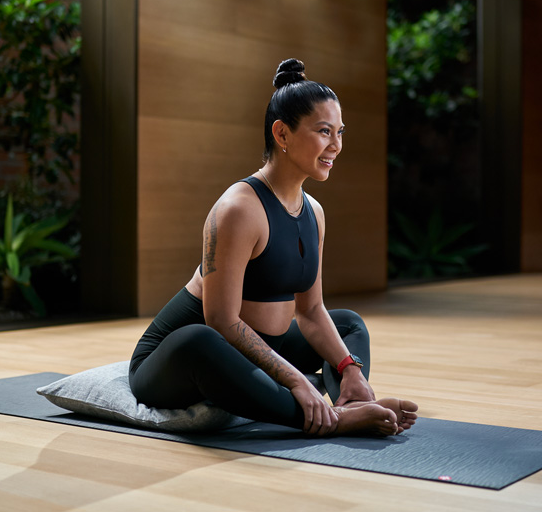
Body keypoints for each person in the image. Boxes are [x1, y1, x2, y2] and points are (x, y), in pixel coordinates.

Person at [129, 59, 418, 436]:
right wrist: (297, 380)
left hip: (262, 350)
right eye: (324, 131)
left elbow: (311, 310)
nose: (336, 145)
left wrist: (349, 368)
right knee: (198, 340)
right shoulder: (238, 210)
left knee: (347, 324)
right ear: (282, 134)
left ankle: (353, 401)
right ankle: (329, 421)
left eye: (340, 132)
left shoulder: (314, 212)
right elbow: (222, 322)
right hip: (179, 363)